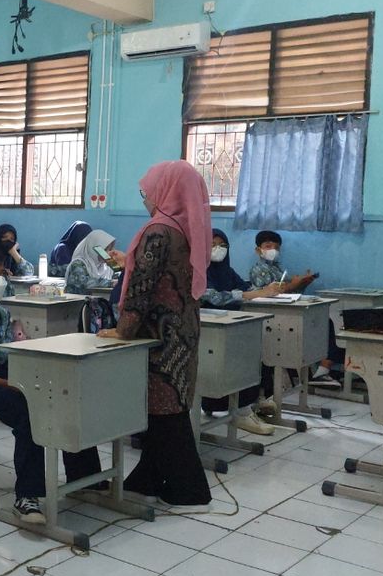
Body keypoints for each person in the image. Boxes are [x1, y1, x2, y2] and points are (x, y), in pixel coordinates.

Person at [0, 249, 103, 523]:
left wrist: (28, 376)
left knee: (59, 393)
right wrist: (13, 384)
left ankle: (86, 478)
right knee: (25, 406)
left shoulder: (1, 314)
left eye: (2, 273)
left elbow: (7, 356)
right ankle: (27, 496)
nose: (0, 280)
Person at [97, 160, 212, 511]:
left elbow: (142, 289)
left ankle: (187, 489)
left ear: (166, 191)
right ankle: (147, 477)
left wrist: (123, 329)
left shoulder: (158, 230)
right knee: (166, 408)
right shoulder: (189, 228)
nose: (146, 201)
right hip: (183, 332)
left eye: (147, 193)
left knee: (165, 412)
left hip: (158, 338)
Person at [201, 228, 285, 435]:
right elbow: (214, 297)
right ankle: (241, 411)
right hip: (210, 330)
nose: (217, 249)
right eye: (212, 244)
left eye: (222, 245)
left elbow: (243, 287)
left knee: (253, 352)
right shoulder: (198, 270)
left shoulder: (226, 271)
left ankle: (247, 405)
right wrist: (255, 293)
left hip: (232, 325)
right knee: (239, 357)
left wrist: (266, 290)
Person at [248, 231, 339, 387]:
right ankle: (318, 371)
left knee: (324, 321)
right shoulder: (258, 269)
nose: (273, 250)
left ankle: (321, 370)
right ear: (258, 250)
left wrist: (303, 283)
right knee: (317, 324)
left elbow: (289, 292)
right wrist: (293, 285)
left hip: (286, 309)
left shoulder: (277, 269)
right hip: (272, 314)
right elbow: (270, 293)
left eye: (276, 247)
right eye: (268, 246)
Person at [64, 230, 125, 294]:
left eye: (110, 249)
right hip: (78, 302)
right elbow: (85, 282)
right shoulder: (78, 263)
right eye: (104, 249)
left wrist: (121, 263)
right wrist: (111, 283)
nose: (107, 253)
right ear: (93, 248)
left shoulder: (108, 262)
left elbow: (121, 275)